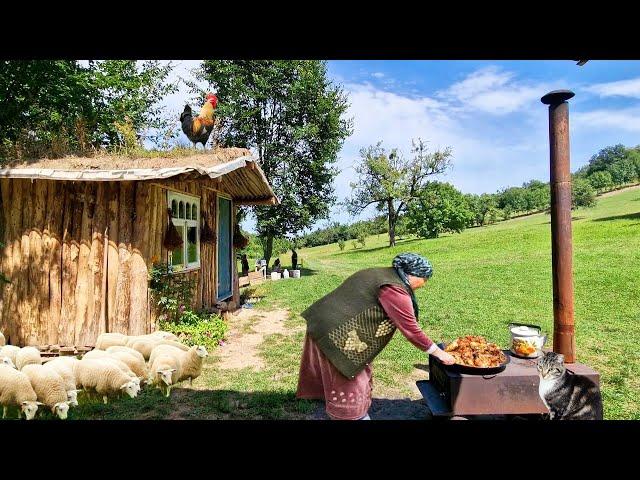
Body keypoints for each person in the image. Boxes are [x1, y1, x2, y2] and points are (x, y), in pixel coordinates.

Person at [296, 253, 455, 420]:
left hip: (323, 323)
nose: (424, 285)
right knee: (348, 375)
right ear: (413, 274)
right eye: (425, 279)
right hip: (337, 333)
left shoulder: (380, 273)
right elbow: (411, 330)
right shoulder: (394, 289)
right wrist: (439, 353)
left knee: (354, 373)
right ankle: (352, 416)